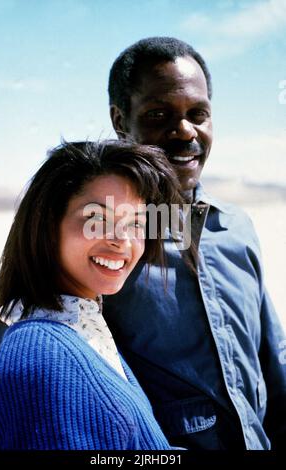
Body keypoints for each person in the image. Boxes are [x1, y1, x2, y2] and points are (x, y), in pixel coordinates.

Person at [103, 37, 286, 450]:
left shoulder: (235, 227)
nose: (185, 130)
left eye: (197, 114)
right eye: (159, 114)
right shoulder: (99, 240)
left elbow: (273, 362)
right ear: (120, 121)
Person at [0, 139, 181, 450]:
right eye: (98, 219)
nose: (122, 240)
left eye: (136, 223)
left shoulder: (81, 328)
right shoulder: (42, 354)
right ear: (48, 225)